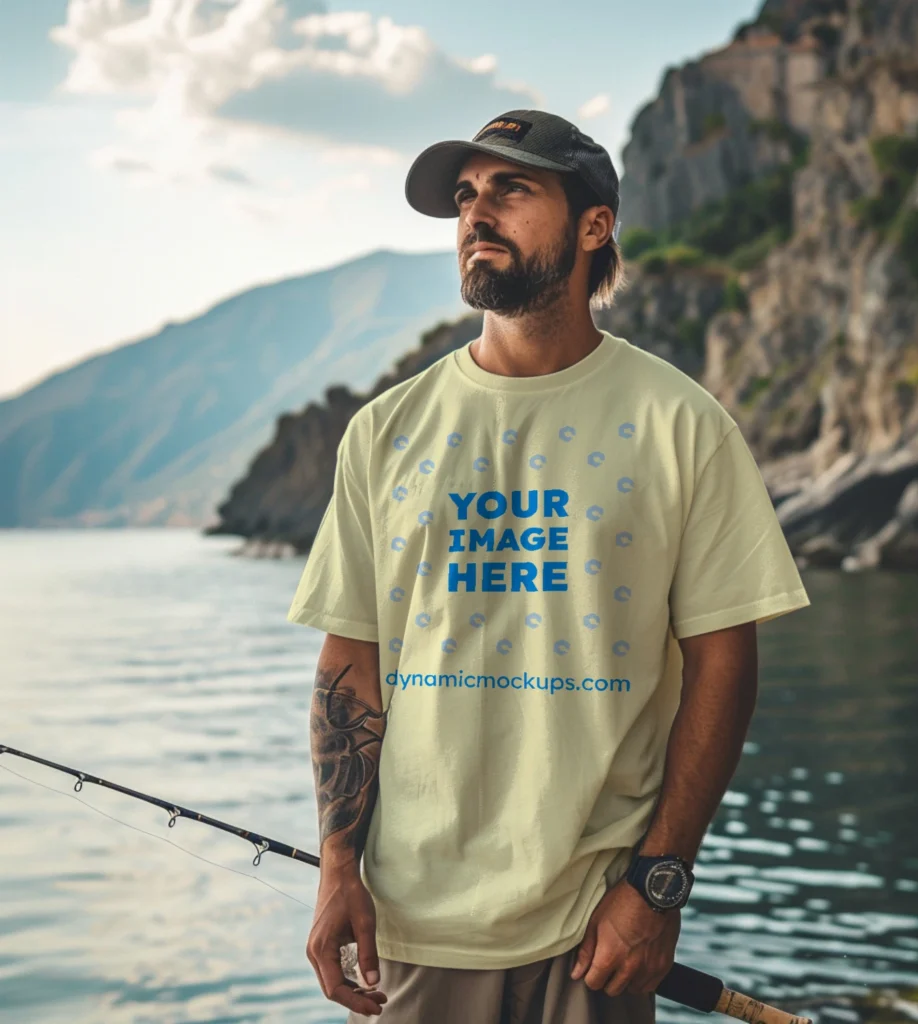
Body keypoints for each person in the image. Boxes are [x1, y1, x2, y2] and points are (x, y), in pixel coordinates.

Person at [287, 108, 810, 1024]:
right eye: (465, 196)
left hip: (598, 928)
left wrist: (658, 885)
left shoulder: (681, 424)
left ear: (593, 225)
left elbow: (724, 664)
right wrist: (338, 869)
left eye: (511, 190)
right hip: (419, 926)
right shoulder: (385, 433)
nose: (476, 215)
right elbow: (350, 664)